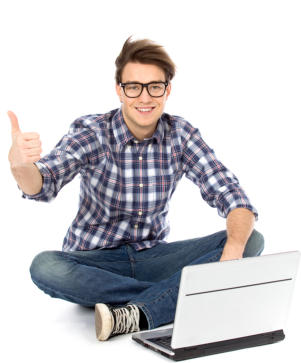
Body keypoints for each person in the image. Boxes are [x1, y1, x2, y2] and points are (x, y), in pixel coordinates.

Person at [8, 36, 264, 341]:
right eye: (133, 87)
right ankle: (175, 296)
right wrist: (20, 166)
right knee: (45, 266)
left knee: (250, 239)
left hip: (153, 257)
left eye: (154, 86)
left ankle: (134, 312)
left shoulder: (181, 134)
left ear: (167, 90)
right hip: (95, 262)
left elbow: (232, 195)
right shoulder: (93, 132)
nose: (145, 97)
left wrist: (234, 249)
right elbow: (44, 182)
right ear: (119, 89)